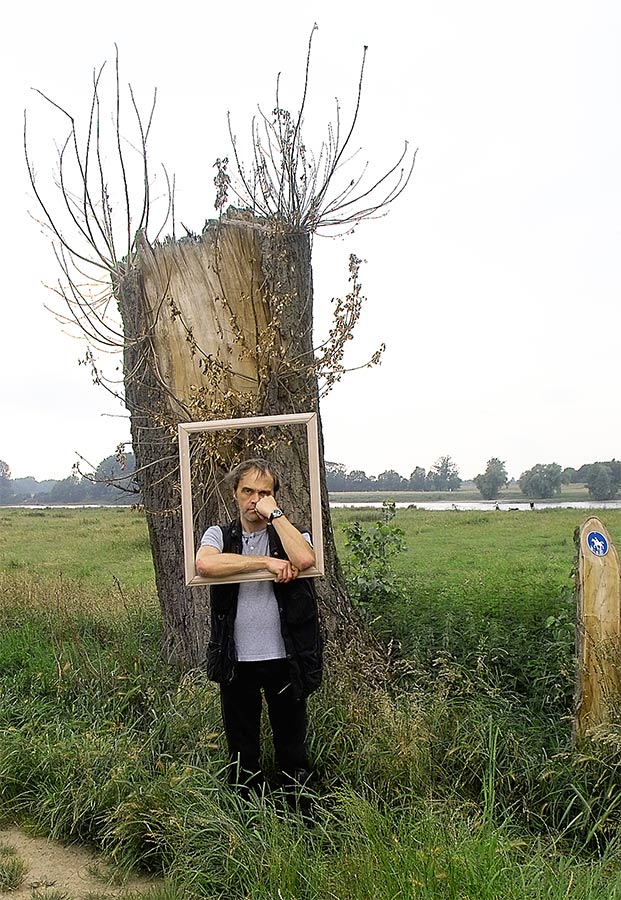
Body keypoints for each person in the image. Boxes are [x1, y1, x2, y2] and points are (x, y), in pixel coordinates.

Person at [195, 458, 323, 796]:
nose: (255, 500)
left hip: (285, 658)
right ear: (235, 494)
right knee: (242, 749)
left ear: (274, 497)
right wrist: (265, 562)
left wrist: (275, 515)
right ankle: (248, 817)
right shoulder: (220, 534)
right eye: (248, 491)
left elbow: (305, 559)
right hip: (237, 660)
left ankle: (299, 816)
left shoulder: (291, 533)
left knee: (292, 746)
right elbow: (205, 562)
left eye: (264, 493)